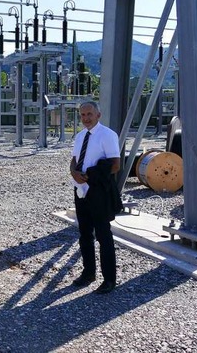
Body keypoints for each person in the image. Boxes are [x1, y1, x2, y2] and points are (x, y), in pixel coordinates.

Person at [69, 101, 122, 294]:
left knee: (103, 235)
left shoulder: (107, 135)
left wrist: (92, 175)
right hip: (81, 190)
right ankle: (88, 272)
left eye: (89, 114)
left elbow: (115, 165)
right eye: (82, 115)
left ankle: (109, 279)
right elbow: (74, 159)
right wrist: (74, 173)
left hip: (98, 190)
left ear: (98, 115)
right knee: (84, 234)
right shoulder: (80, 136)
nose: (86, 118)